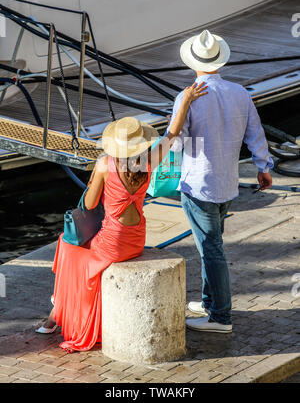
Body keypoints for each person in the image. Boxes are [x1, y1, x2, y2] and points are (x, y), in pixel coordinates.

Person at [35, 81, 208, 352]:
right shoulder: (149, 160)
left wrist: (95, 176)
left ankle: (56, 315)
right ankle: (55, 315)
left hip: (113, 243)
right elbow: (172, 133)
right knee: (72, 251)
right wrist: (185, 100)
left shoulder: (105, 164)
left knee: (67, 249)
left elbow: (90, 204)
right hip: (135, 239)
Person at [168, 29, 273, 333]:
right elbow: (256, 132)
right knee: (210, 245)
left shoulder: (187, 96)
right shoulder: (240, 92)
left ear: (193, 62)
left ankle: (220, 317)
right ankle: (208, 301)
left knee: (211, 249)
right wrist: (263, 167)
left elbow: (176, 144)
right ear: (219, 60)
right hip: (227, 182)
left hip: (199, 182)